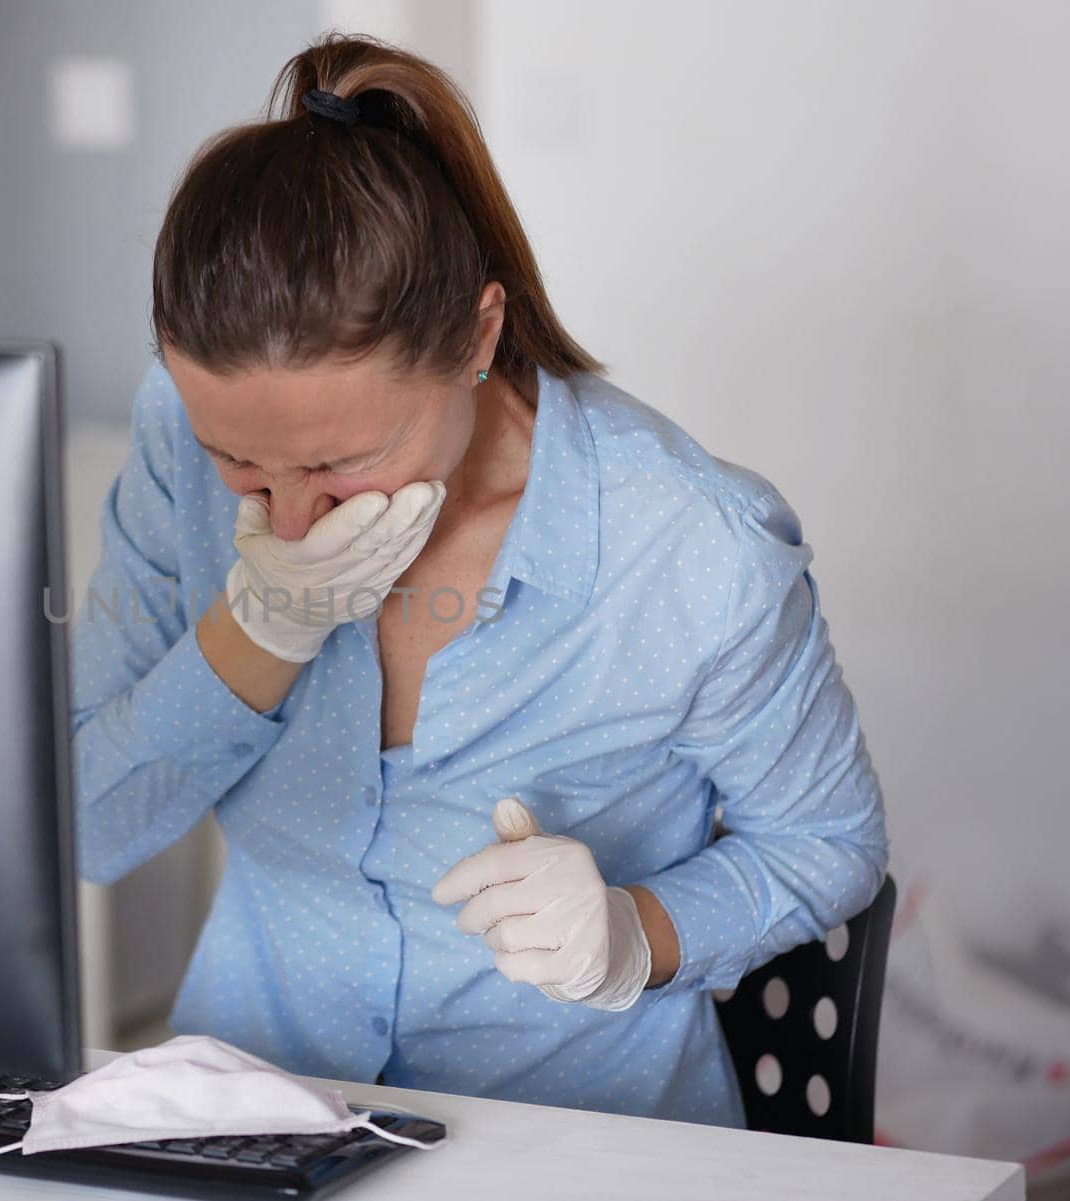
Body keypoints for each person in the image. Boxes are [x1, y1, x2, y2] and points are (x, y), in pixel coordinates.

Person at [70, 32, 888, 1126]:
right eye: (241, 462)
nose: (288, 513)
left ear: (476, 336)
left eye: (338, 462)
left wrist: (634, 933)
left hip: (577, 1144)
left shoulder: (689, 547)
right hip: (247, 1117)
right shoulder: (178, 438)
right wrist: (255, 636)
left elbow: (829, 843)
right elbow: (86, 824)